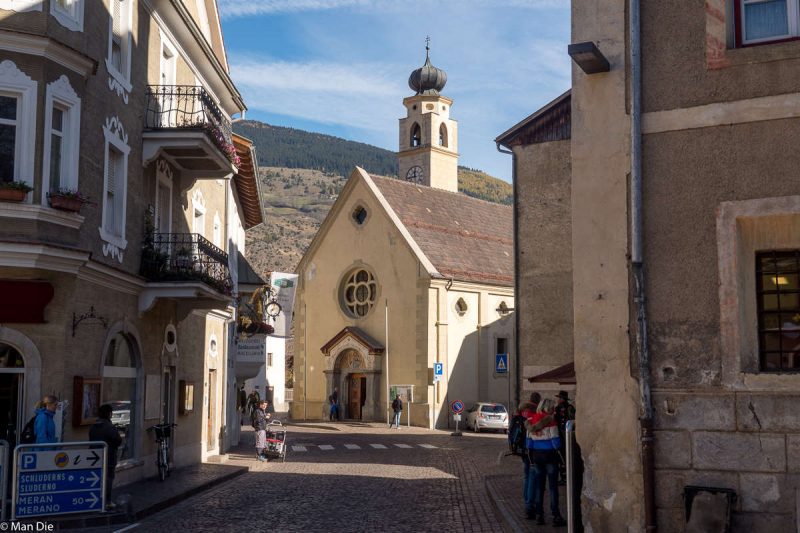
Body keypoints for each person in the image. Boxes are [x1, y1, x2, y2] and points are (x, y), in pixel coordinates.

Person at [525, 398, 566, 527]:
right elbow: (555, 442)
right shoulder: (551, 421)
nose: (554, 409)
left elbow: (529, 444)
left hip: (537, 457)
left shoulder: (530, 421)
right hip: (550, 457)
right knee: (553, 487)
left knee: (539, 487)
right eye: (552, 407)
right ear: (548, 408)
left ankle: (539, 515)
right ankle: (556, 515)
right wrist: (561, 455)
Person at [90, 404, 123, 510]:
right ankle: (107, 502)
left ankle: (96, 499)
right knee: (108, 479)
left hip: (94, 456)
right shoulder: (109, 426)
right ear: (109, 414)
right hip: (109, 456)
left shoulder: (94, 425)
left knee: (97, 479)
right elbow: (118, 440)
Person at [518, 392, 541, 519]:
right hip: (532, 449)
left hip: (522, 448)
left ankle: (526, 500)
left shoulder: (520, 412)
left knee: (526, 476)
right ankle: (529, 505)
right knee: (533, 478)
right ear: (537, 402)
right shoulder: (535, 414)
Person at [554, 390, 575, 484]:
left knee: (561, 457)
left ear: (562, 399)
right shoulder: (570, 407)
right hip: (568, 434)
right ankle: (567, 476)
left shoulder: (559, 408)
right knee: (567, 456)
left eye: (558, 398)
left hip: (561, 435)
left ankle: (564, 477)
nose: (557, 399)